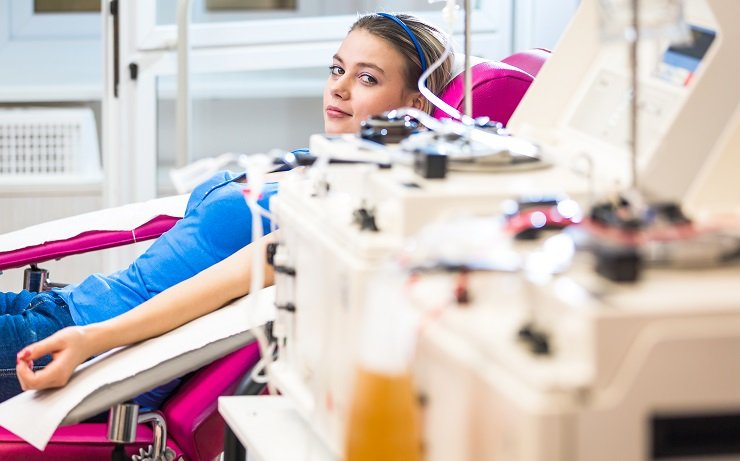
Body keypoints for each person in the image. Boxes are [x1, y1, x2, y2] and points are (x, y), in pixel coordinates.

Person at [11, 12, 454, 398]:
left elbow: (224, 282)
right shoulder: (310, 161)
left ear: (417, 105)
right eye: (336, 69)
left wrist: (89, 341)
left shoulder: (346, 204)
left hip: (85, 345)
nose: (338, 88)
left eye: (366, 78)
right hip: (67, 307)